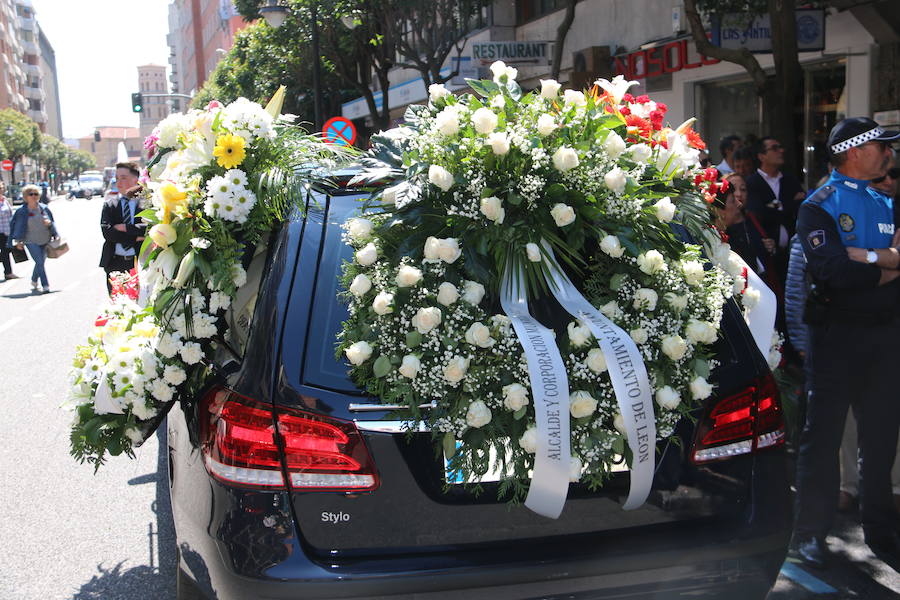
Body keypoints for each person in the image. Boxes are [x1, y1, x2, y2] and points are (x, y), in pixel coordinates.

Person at [793, 117, 900, 568]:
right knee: (823, 440)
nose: (889, 153)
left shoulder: (890, 201)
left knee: (880, 441)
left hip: (885, 337)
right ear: (855, 151)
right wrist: (890, 266)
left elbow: (850, 267)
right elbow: (832, 272)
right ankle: (810, 535)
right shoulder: (819, 205)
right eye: (882, 145)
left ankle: (879, 530)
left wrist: (866, 260)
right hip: (835, 339)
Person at [744, 137, 806, 286]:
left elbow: (802, 208)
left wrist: (776, 207)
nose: (781, 151)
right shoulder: (752, 183)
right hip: (768, 255)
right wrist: (790, 204)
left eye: (780, 147)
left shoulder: (790, 180)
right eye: (774, 148)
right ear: (761, 156)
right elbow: (759, 214)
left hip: (791, 254)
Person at [714, 173, 772, 276]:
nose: (739, 195)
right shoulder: (714, 238)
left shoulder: (753, 219)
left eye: (743, 189)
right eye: (732, 200)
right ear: (720, 211)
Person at [99, 162, 144, 294]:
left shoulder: (146, 202)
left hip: (139, 261)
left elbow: (148, 228)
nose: (119, 182)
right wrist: (136, 237)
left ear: (135, 179)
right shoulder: (110, 205)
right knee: (118, 305)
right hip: (115, 262)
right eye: (117, 178)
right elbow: (108, 233)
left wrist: (126, 227)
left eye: (123, 178)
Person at [7, 184, 57, 293]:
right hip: (30, 240)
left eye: (36, 194)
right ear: (26, 196)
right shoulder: (21, 211)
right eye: (31, 194)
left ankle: (34, 280)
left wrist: (51, 228)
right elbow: (15, 225)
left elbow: (52, 222)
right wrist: (18, 240)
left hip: (45, 239)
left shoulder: (44, 208)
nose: (34, 196)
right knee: (39, 261)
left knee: (40, 262)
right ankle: (45, 285)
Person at [0, 181, 18, 281]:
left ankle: (8, 272)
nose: (1, 190)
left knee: (6, 251)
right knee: (4, 252)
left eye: (2, 188)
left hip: (7, 230)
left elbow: (10, 215)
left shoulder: (5, 200)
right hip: (0, 231)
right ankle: (8, 272)